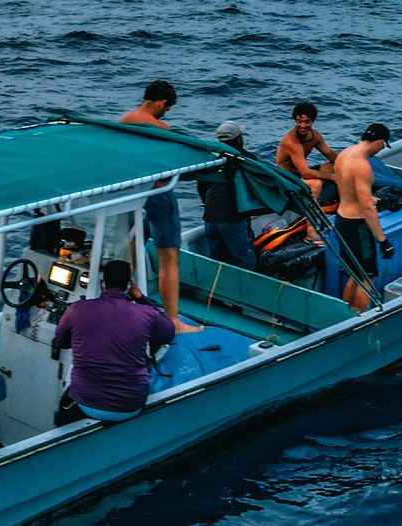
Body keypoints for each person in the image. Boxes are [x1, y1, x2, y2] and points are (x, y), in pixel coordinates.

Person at [120, 79, 202, 332]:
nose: (166, 113)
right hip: (157, 193)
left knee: (132, 245)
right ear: (162, 103)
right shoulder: (161, 128)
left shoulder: (123, 122)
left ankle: (132, 295)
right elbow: (166, 171)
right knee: (169, 257)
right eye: (167, 108)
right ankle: (173, 320)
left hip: (129, 195)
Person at [52, 259, 175, 422]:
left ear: (102, 284)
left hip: (86, 402)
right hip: (130, 405)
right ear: (129, 286)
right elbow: (168, 332)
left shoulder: (76, 309)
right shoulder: (146, 313)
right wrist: (141, 298)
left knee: (66, 399)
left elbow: (61, 343)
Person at [331, 124, 395, 312]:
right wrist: (383, 241)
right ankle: (356, 321)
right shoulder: (362, 166)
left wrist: (367, 197)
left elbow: (345, 184)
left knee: (355, 273)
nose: (381, 149)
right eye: (383, 145)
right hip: (357, 227)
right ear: (379, 142)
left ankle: (344, 316)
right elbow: (367, 209)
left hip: (341, 220)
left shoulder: (344, 154)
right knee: (367, 276)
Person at [196, 121, 257, 269]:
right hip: (233, 218)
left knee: (217, 262)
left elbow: (201, 183)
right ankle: (247, 291)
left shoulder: (213, 160)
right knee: (244, 262)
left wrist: (206, 202)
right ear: (239, 139)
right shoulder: (248, 160)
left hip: (210, 217)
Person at [276, 100, 339, 201]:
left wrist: (347, 165)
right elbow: (305, 173)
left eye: (306, 121)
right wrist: (333, 177)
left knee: (331, 166)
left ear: (313, 121)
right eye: (298, 122)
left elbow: (331, 155)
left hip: (300, 172)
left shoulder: (315, 136)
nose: (302, 126)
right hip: (287, 177)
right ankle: (310, 213)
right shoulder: (292, 142)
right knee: (316, 183)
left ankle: (327, 198)